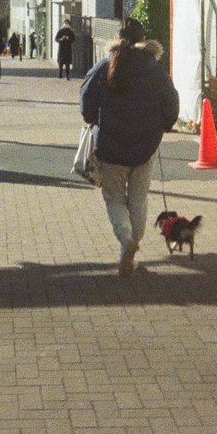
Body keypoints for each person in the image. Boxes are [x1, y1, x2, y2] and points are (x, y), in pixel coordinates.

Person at [79, 17, 179, 276]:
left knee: (114, 199)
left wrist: (92, 118)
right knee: (138, 200)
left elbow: (86, 102)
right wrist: (165, 125)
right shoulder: (155, 70)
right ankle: (132, 244)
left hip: (110, 148)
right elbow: (171, 101)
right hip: (145, 147)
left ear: (117, 37)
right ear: (144, 39)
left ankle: (126, 241)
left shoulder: (104, 66)